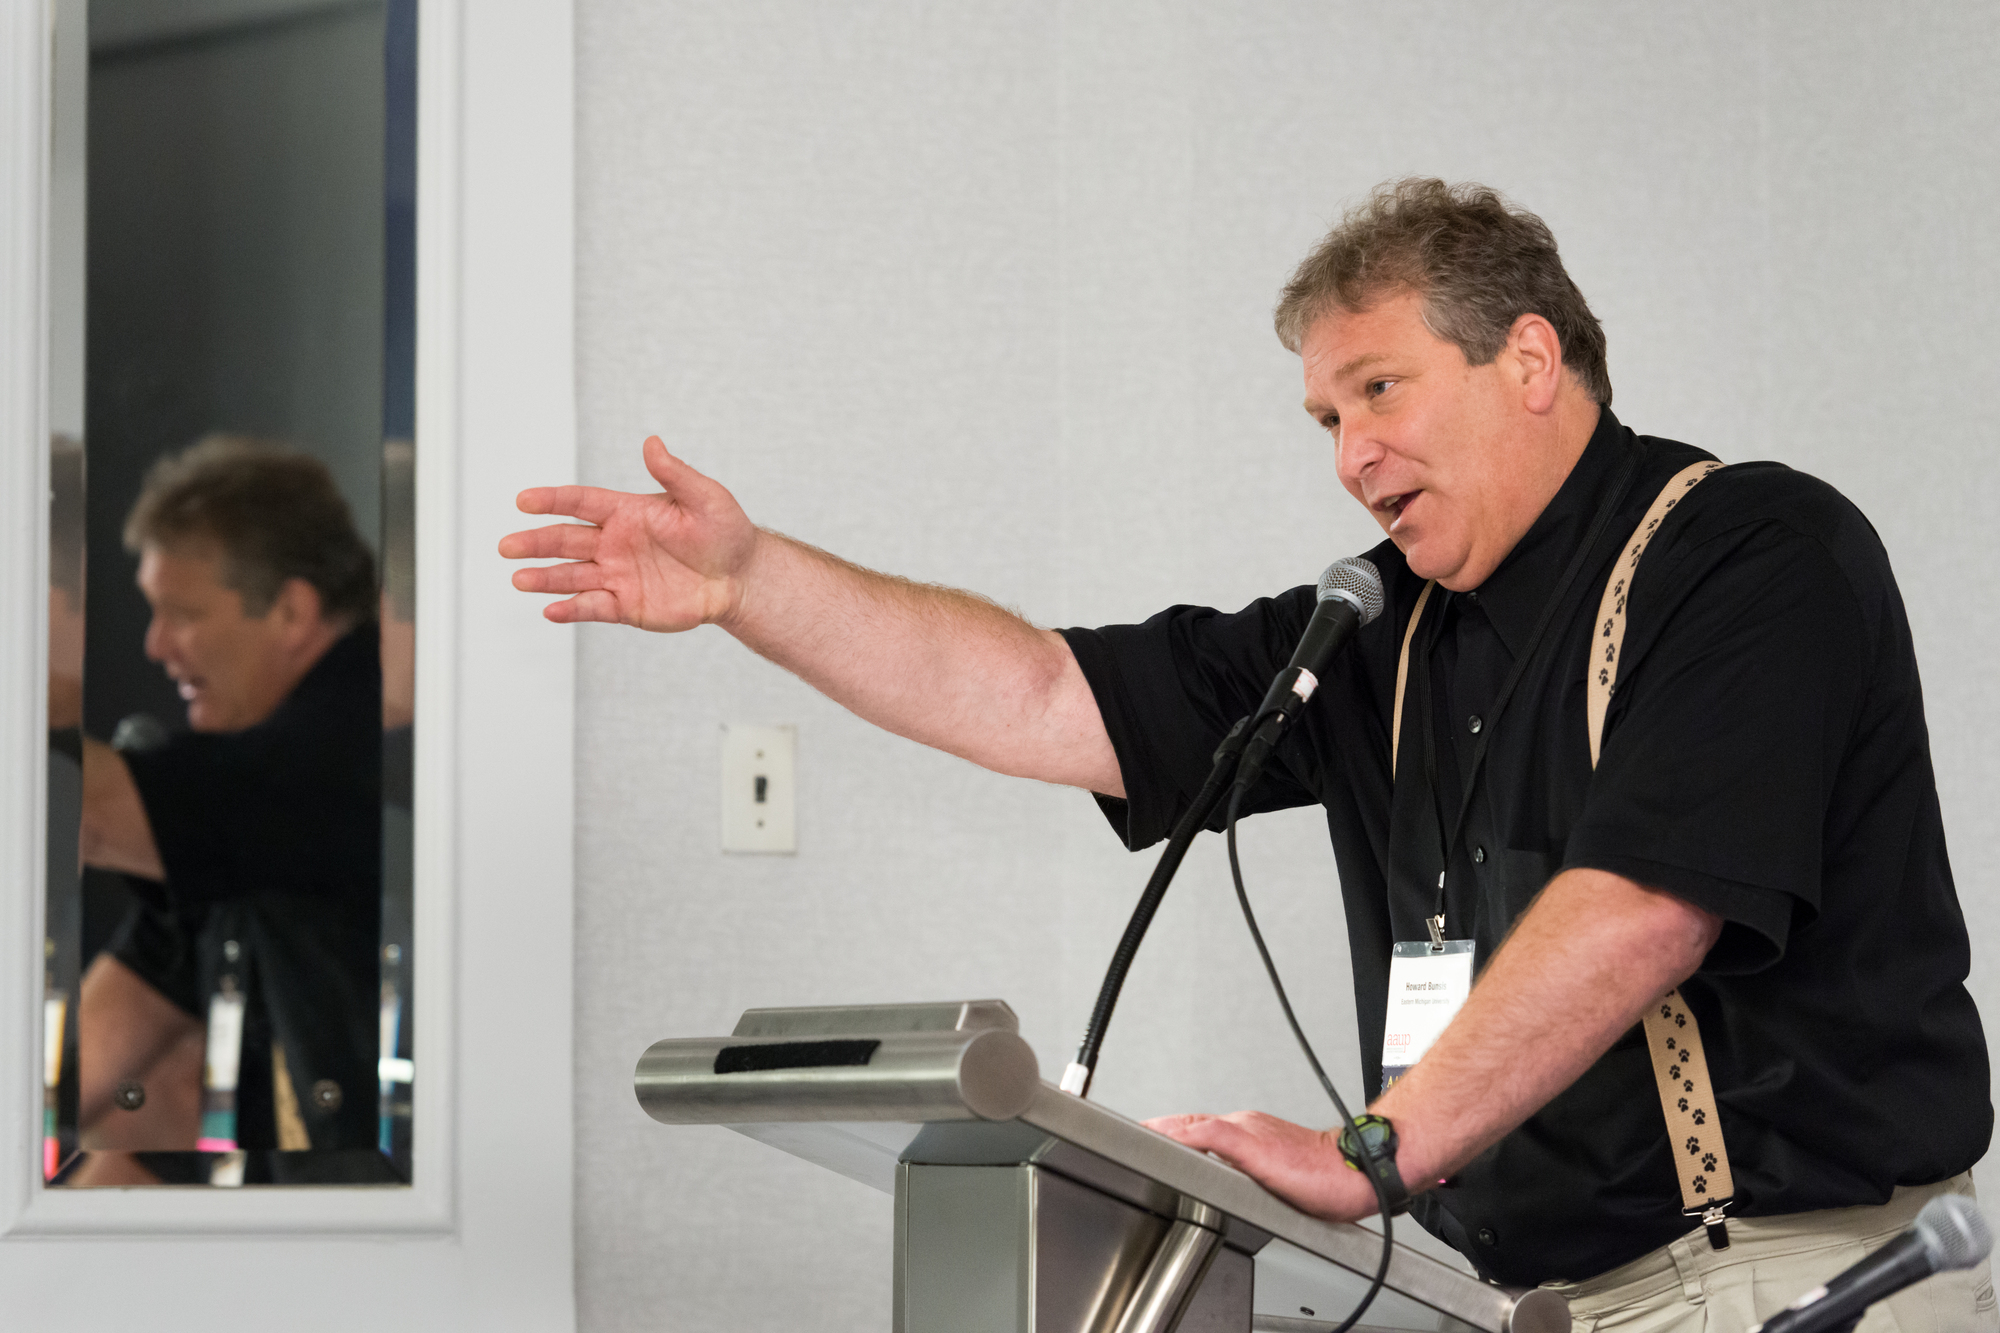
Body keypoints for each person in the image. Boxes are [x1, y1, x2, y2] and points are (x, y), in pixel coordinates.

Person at [501, 179, 1993, 1330]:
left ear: (1529, 359)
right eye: (1326, 417)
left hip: (1797, 1277)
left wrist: (1374, 1149)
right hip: (1524, 1300)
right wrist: (753, 583)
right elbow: (1033, 693)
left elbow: (1641, 909)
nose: (1349, 455)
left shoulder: (1746, 554)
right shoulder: (1374, 633)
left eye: (1381, 391)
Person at [74, 437, 383, 1179]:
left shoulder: (342, 749)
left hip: (395, 1257)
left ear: (291, 609)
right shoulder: (239, 812)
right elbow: (103, 1069)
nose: (154, 645)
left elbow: (84, 813)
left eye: (180, 612)